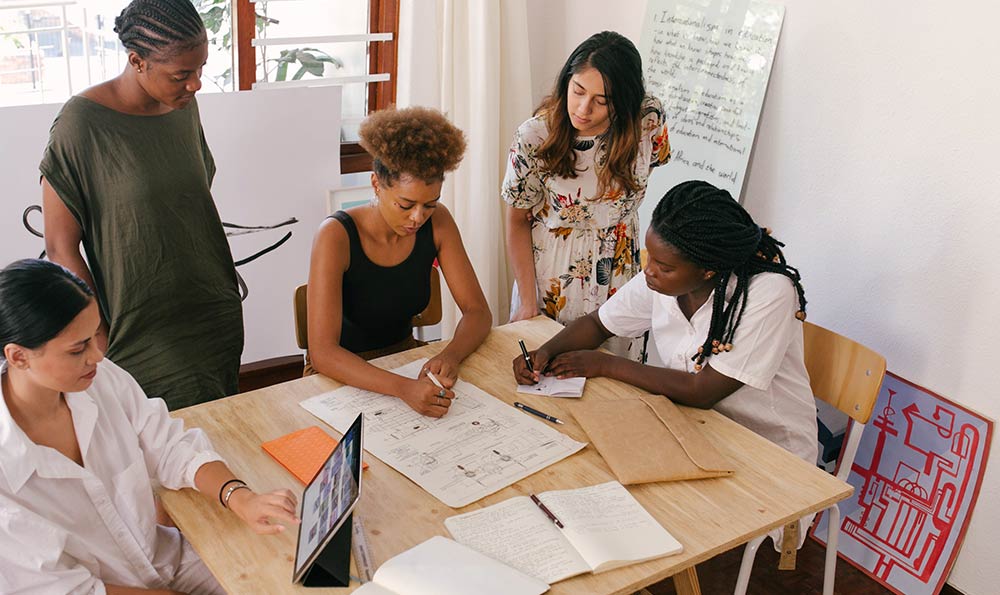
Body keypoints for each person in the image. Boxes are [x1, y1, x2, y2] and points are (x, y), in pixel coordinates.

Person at [0, 259, 298, 595]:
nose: (98, 356)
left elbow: (170, 446)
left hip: (168, 560)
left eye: (94, 335)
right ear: (18, 357)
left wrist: (239, 497)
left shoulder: (99, 379)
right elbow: (67, 590)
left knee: (286, 575)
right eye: (77, 348)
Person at [514, 180, 818, 466]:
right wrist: (545, 352)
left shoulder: (768, 292)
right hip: (698, 429)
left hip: (771, 454)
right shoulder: (662, 281)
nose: (648, 272)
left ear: (708, 270)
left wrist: (604, 365)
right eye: (651, 260)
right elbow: (598, 324)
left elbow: (703, 391)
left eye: (664, 267)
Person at [40, 0, 243, 410]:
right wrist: (96, 331)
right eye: (181, 74)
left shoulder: (183, 107)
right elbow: (61, 248)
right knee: (158, 448)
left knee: (219, 435)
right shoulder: (82, 124)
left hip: (211, 309)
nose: (196, 84)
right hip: (139, 325)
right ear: (137, 61)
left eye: (201, 69)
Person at [307, 106, 492, 418]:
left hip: (404, 363)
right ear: (377, 185)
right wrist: (403, 388)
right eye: (406, 205)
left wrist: (451, 355)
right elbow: (323, 354)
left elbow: (477, 312)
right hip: (340, 377)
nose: (418, 218)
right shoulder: (336, 235)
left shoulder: (439, 223)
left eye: (429, 205)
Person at [503, 30, 671, 356]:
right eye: (577, 90)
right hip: (554, 277)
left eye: (601, 100)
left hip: (620, 274)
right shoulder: (535, 136)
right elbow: (516, 220)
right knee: (545, 376)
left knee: (614, 386)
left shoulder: (648, 120)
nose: (582, 108)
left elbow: (652, 164)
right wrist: (527, 302)